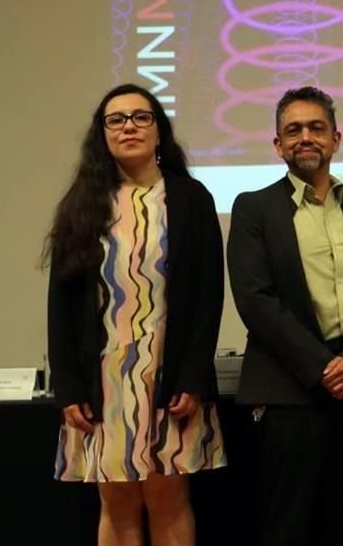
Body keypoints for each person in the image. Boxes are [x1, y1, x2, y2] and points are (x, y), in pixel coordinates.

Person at [44, 83, 227, 546]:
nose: (129, 126)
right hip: (103, 380)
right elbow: (61, 307)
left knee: (168, 497)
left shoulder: (190, 198)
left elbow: (208, 297)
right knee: (117, 502)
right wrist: (67, 386)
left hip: (170, 381)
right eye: (116, 119)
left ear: (159, 130)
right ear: (102, 134)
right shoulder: (82, 205)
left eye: (141, 117)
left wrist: (191, 378)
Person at [226, 85, 343, 546]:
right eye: (294, 130)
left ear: (336, 140)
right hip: (287, 391)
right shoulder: (253, 209)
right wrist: (323, 367)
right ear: (278, 144)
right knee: (286, 527)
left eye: (316, 128)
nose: (306, 137)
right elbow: (255, 299)